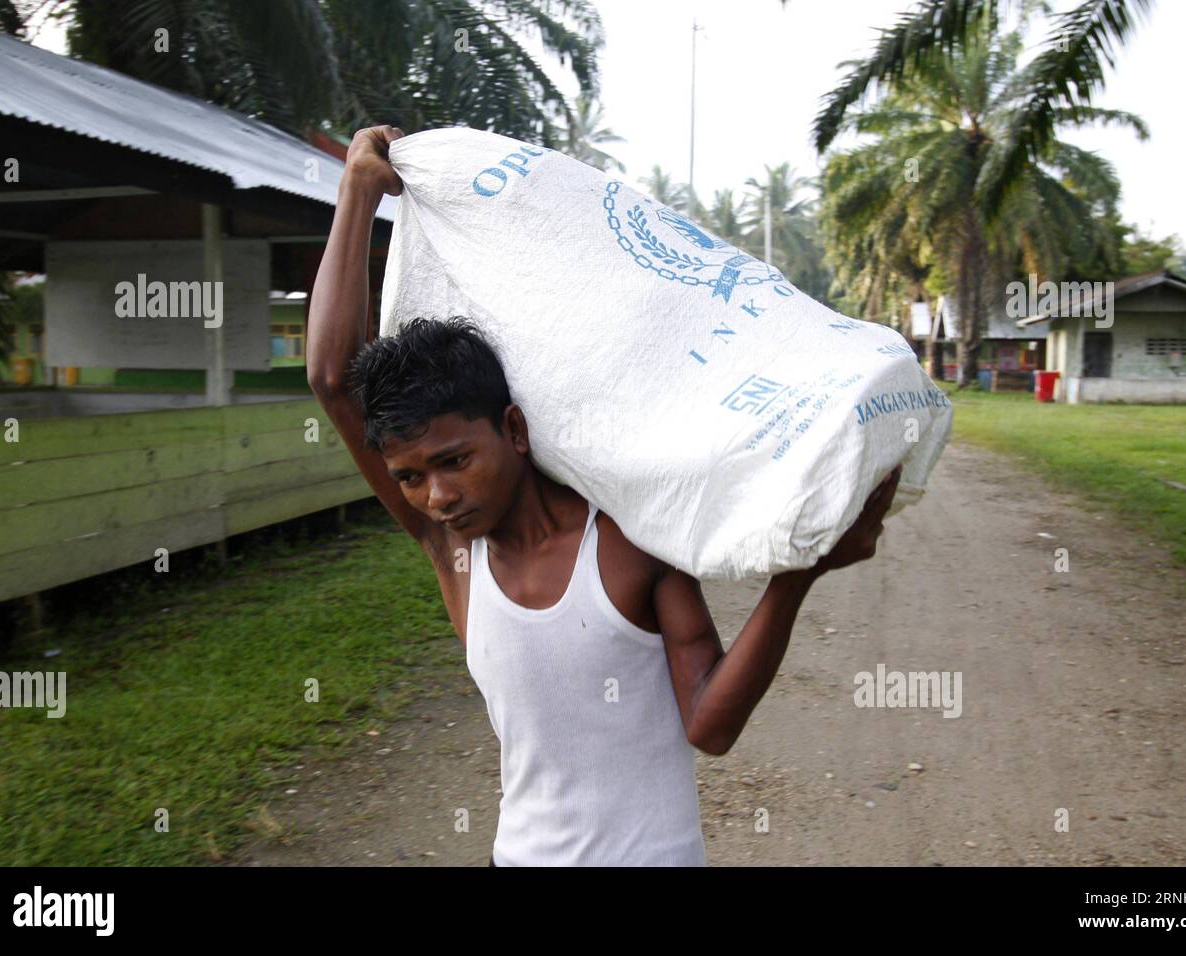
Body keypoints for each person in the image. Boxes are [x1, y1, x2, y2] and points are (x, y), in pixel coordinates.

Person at [307, 125, 903, 867]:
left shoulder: (626, 544)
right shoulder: (453, 553)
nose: (437, 495)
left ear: (514, 429)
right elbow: (333, 380)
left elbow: (709, 725)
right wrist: (358, 187)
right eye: (410, 478)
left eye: (455, 460)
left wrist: (799, 576)